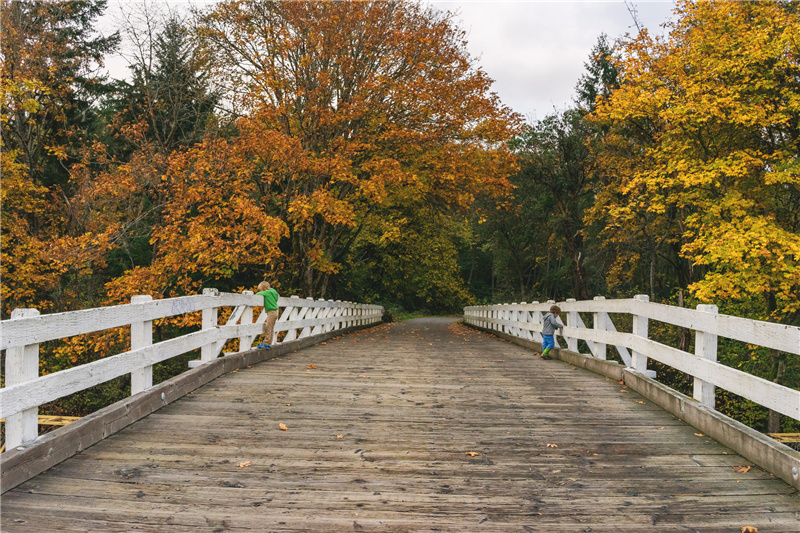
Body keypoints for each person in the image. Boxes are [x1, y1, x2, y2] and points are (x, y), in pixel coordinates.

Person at [255, 281, 279, 349]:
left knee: (268, 328)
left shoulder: (267, 292)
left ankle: (266, 343)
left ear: (264, 289)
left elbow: (257, 294)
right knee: (271, 328)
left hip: (271, 313)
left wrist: (260, 292)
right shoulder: (273, 292)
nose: (261, 291)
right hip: (274, 312)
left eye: (261, 290)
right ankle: (269, 343)